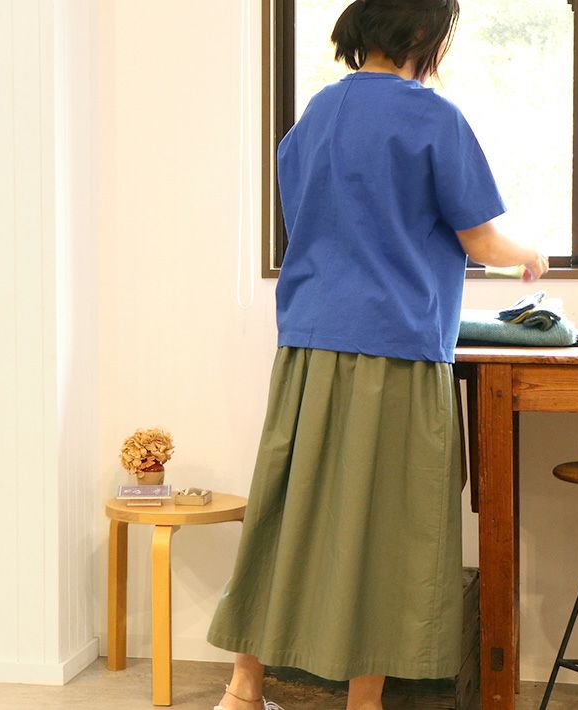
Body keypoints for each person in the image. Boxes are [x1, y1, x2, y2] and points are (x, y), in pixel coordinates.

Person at [207, 1, 549, 709]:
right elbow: (482, 241)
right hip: (396, 350)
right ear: (422, 34)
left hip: (308, 348)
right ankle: (363, 700)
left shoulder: (315, 116)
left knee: (287, 514)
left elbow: (314, 224)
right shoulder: (432, 118)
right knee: (391, 525)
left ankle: (243, 689)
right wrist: (532, 255)